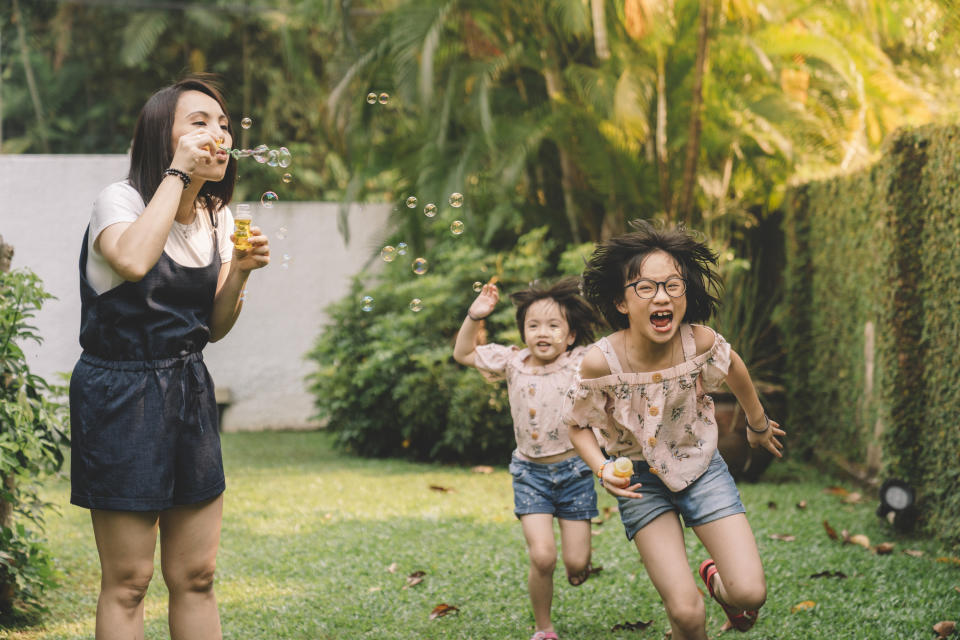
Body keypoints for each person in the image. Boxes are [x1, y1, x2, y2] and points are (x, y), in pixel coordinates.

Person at [69, 75, 269, 639]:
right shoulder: (120, 201)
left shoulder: (217, 216)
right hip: (120, 394)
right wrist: (177, 175)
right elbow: (133, 261)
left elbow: (214, 327)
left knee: (197, 575)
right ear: (164, 136)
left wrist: (240, 276)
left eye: (224, 125)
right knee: (129, 580)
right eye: (199, 122)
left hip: (188, 388)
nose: (219, 135)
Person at [564, 220, 785, 639]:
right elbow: (576, 425)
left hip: (700, 466)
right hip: (640, 481)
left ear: (685, 292)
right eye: (645, 288)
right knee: (686, 614)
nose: (661, 296)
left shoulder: (698, 343)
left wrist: (757, 424)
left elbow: (733, 365)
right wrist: (602, 468)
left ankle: (717, 581)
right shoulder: (600, 362)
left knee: (750, 593)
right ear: (622, 302)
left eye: (672, 285)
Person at [453, 278, 602, 640]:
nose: (542, 333)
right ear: (523, 331)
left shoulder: (581, 361)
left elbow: (620, 354)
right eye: (533, 325)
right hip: (530, 474)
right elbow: (463, 354)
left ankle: (578, 564)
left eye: (554, 325)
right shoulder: (512, 361)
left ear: (570, 335)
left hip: (576, 473)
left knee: (576, 563)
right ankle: (544, 628)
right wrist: (476, 315)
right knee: (542, 556)